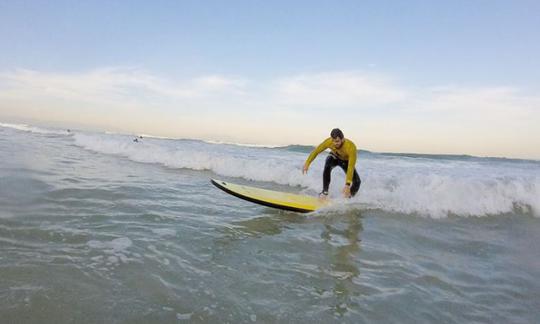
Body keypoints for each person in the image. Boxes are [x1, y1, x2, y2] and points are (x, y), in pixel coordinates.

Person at [302, 128, 361, 198]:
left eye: (337, 141)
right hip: (334, 157)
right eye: (333, 141)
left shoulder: (351, 147)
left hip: (345, 161)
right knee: (328, 165)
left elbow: (350, 166)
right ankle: (324, 192)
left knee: (357, 181)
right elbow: (316, 151)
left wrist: (347, 184)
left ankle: (348, 198)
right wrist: (307, 163)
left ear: (342, 139)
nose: (334, 143)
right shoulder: (329, 141)